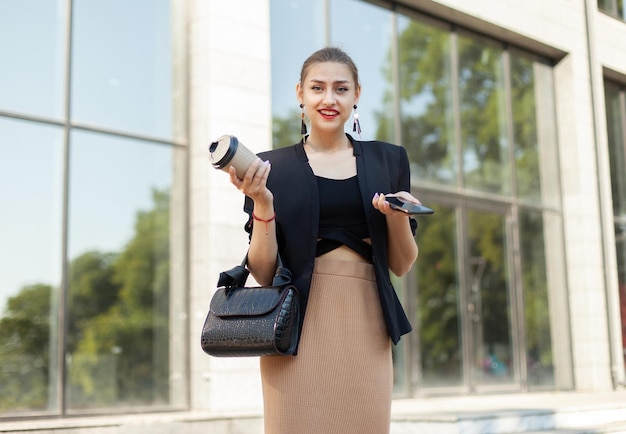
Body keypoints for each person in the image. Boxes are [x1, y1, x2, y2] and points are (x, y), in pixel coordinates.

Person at [228, 46, 420, 434]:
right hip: (294, 325)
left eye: (340, 89)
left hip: (366, 320)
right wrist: (262, 201)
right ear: (300, 93)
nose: (329, 99)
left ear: (357, 95)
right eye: (317, 88)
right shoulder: (270, 168)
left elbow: (401, 264)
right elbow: (265, 272)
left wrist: (399, 218)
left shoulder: (390, 160)